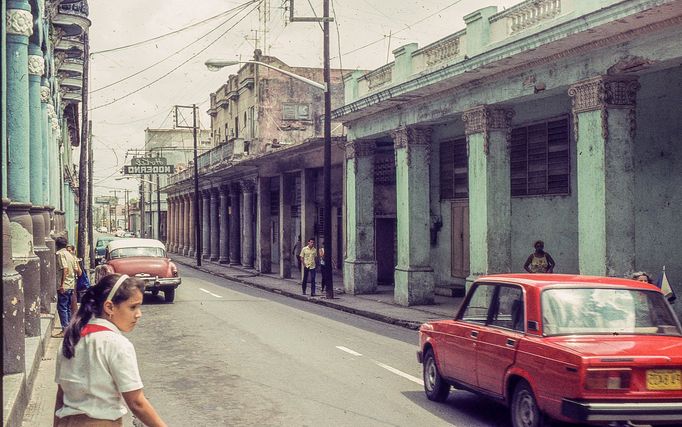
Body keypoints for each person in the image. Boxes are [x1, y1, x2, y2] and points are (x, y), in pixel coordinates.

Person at [54, 274, 167, 427]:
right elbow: (136, 402)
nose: (138, 314)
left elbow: (61, 396)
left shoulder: (70, 340)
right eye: (133, 307)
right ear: (109, 307)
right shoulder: (117, 344)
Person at [54, 237, 81, 338]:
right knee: (68, 307)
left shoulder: (61, 254)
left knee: (62, 307)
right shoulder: (71, 255)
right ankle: (69, 328)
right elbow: (78, 271)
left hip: (64, 285)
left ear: (57, 245)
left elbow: (65, 269)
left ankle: (65, 330)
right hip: (71, 284)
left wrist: (61, 285)